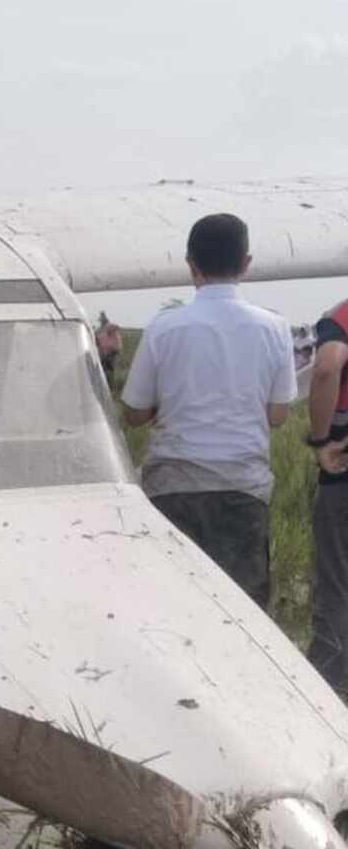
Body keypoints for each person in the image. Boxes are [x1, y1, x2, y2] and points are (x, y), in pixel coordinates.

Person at [121, 213, 296, 610]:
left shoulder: (164, 327)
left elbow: (133, 412)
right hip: (242, 489)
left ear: (190, 264)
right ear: (246, 263)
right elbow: (278, 415)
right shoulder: (275, 328)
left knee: (172, 609)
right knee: (242, 618)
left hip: (172, 488)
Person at [299, 302, 348, 693]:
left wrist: (320, 440)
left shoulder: (340, 320)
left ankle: (326, 691)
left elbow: (329, 365)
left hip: (343, 472)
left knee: (337, 579)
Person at [94, 312, 124, 386]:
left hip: (111, 354)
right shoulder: (101, 331)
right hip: (104, 354)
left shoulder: (112, 330)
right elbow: (98, 341)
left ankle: (110, 383)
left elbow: (117, 328)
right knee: (103, 369)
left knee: (109, 369)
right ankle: (105, 383)